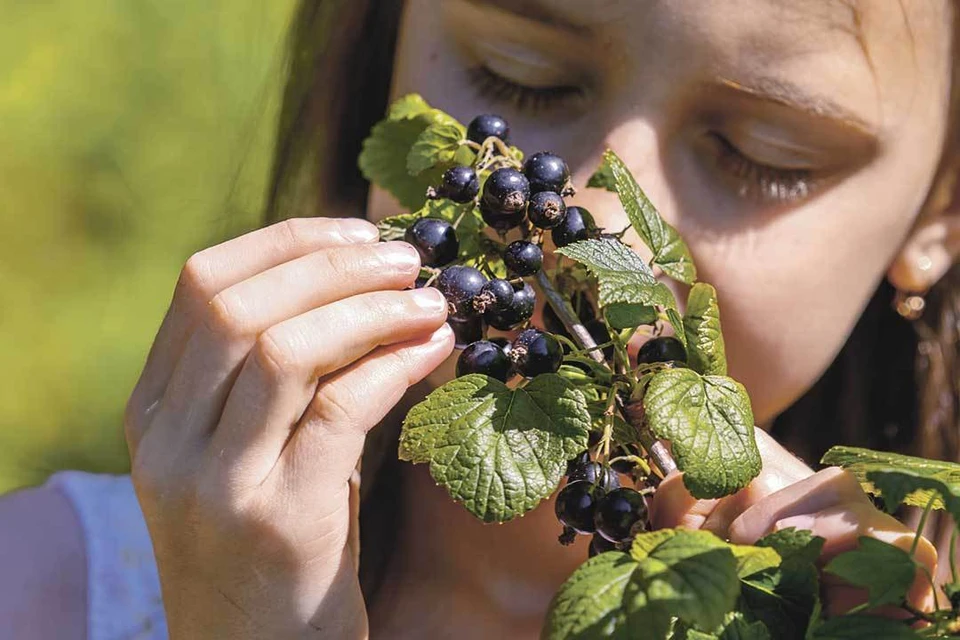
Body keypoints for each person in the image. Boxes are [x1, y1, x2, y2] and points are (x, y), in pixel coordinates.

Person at [3, 0, 960, 637]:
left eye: (763, 153)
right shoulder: (43, 588)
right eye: (521, 79)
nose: (599, 214)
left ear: (940, 213)